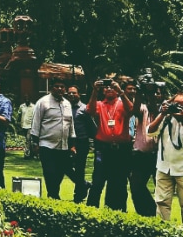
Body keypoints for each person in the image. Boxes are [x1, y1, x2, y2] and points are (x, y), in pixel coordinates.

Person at [149, 92, 183, 222]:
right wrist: (162, 113)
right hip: (164, 167)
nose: (179, 108)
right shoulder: (165, 117)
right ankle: (161, 231)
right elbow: (150, 132)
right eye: (176, 104)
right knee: (161, 202)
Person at [85, 77, 134, 210]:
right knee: (98, 181)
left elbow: (131, 110)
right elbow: (89, 111)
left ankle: (117, 211)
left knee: (119, 183)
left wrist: (122, 92)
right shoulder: (101, 104)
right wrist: (94, 90)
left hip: (121, 150)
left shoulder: (122, 103)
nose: (109, 89)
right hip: (103, 149)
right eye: (106, 87)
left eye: (112, 86)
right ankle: (91, 211)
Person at [29, 81, 76, 199]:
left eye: (62, 86)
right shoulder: (43, 102)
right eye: (57, 86)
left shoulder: (67, 104)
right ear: (51, 88)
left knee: (60, 173)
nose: (60, 89)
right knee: (50, 172)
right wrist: (35, 143)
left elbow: (71, 125)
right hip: (46, 145)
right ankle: (53, 195)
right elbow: (36, 123)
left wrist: (72, 144)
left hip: (63, 146)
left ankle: (53, 195)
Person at [128, 79, 163, 217]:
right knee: (136, 187)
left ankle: (160, 215)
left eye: (157, 93)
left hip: (158, 155)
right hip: (141, 154)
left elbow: (155, 110)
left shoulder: (163, 110)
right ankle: (146, 212)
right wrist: (140, 92)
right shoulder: (142, 107)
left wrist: (151, 95)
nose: (155, 95)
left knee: (161, 189)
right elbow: (134, 110)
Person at [65, 85, 94, 203]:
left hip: (81, 141)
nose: (71, 95)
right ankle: (84, 184)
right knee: (65, 166)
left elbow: (91, 127)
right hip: (67, 141)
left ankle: (79, 195)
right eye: (69, 93)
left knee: (79, 168)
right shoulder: (65, 107)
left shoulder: (84, 109)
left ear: (79, 94)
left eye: (74, 93)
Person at [17, 93, 37, 158]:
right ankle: (32, 153)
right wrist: (18, 122)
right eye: (26, 98)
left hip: (30, 126)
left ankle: (27, 154)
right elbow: (19, 115)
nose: (27, 99)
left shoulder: (34, 107)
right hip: (24, 125)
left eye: (28, 98)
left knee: (28, 140)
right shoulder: (22, 106)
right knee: (28, 140)